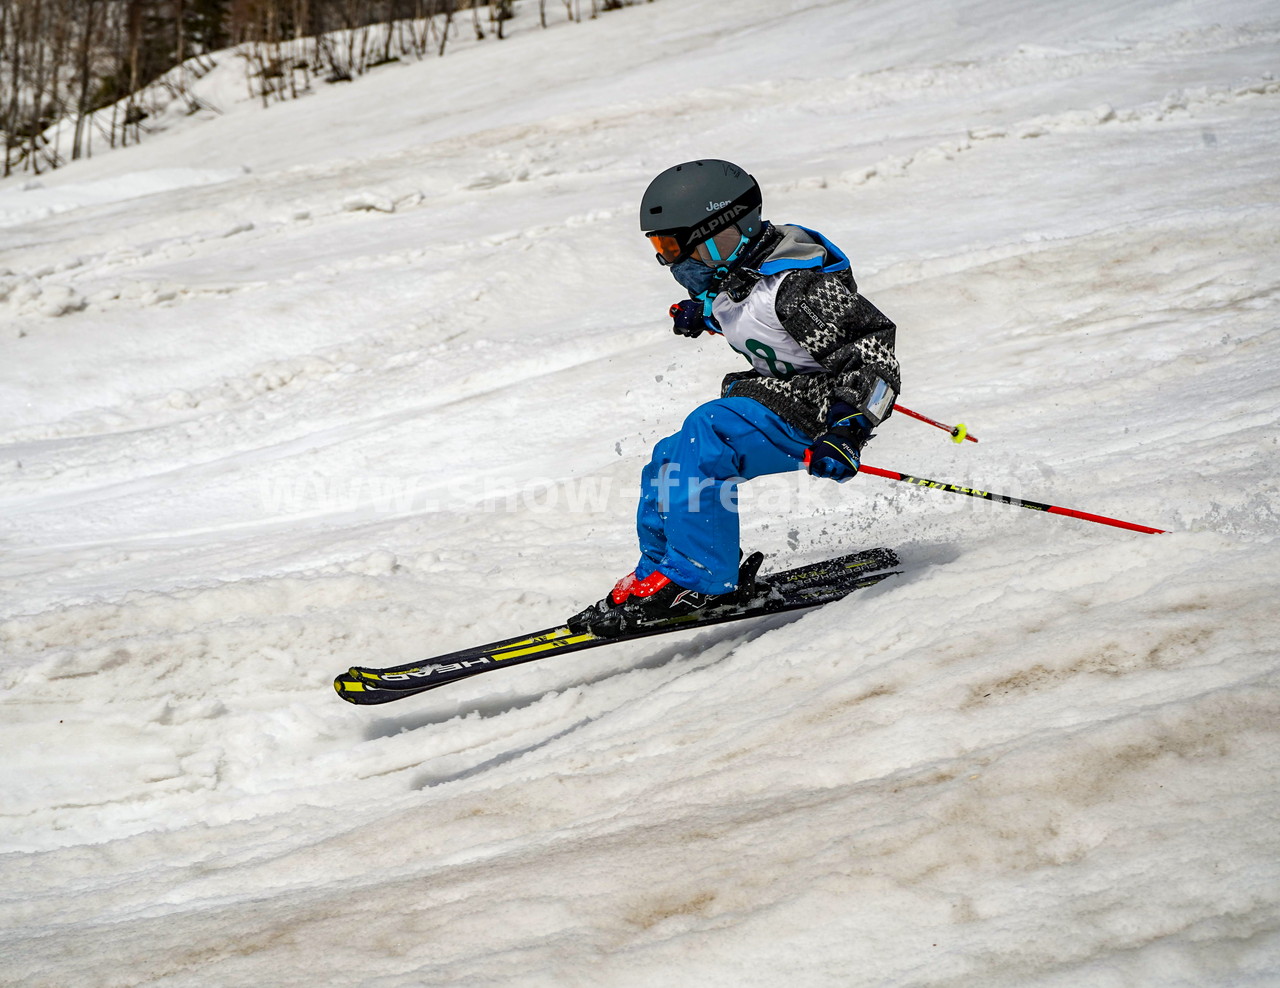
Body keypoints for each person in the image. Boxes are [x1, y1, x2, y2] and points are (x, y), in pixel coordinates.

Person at [568, 159, 900, 636]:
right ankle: (661, 572)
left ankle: (701, 577)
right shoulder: (735, 274)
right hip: (774, 396)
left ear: (723, 233)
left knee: (708, 434)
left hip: (817, 410)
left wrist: (849, 429)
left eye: (675, 245)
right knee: (669, 458)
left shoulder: (799, 286)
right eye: (660, 248)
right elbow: (746, 309)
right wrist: (700, 312)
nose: (670, 261)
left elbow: (874, 355)